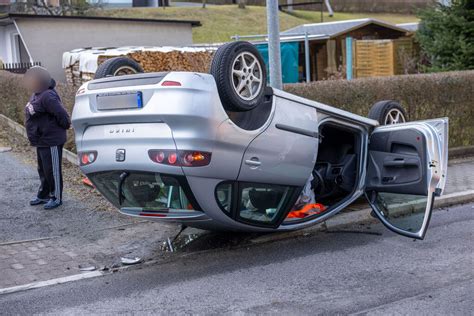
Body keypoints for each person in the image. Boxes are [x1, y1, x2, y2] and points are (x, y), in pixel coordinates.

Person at [23, 66, 71, 210]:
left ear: (40, 80)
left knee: (52, 170)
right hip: (41, 140)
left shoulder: (48, 95)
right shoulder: (37, 93)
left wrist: (65, 126)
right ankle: (43, 194)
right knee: (42, 169)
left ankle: (56, 197)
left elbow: (62, 115)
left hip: (51, 140)